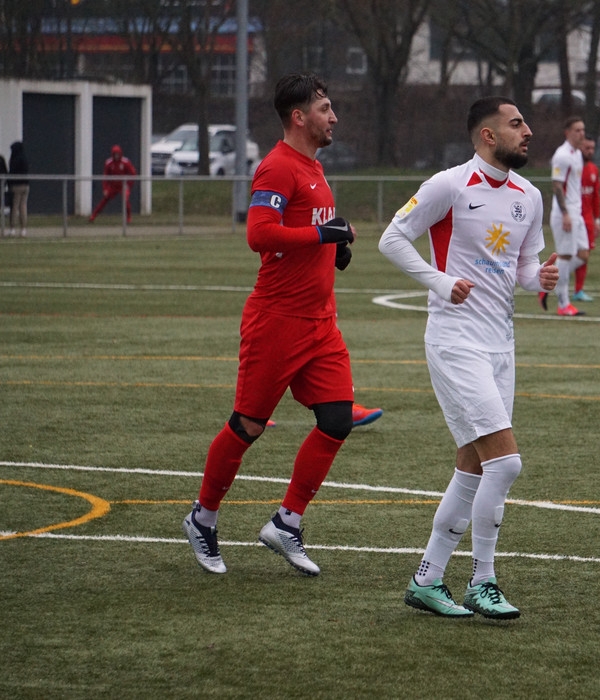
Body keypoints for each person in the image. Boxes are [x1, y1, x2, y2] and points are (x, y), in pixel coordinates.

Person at [379, 96, 559, 619]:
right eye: (516, 123)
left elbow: (524, 270)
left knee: (475, 465)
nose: (528, 131)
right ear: (487, 135)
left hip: (501, 345)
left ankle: (427, 580)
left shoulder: (529, 195)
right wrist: (440, 282)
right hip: (455, 342)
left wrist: (541, 279)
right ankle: (483, 581)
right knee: (507, 463)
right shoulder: (449, 185)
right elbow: (392, 238)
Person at [182, 72, 357, 577]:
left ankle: (286, 522)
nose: (333, 117)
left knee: (337, 420)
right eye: (324, 108)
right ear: (298, 117)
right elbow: (259, 234)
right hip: (277, 320)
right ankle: (202, 518)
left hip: (320, 324)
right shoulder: (278, 166)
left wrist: (333, 247)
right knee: (248, 425)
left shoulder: (314, 168)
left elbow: (305, 231)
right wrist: (321, 235)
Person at [539, 116, 586, 316]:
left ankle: (545, 284)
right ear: (567, 133)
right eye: (577, 130)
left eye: (583, 130)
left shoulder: (577, 153)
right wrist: (565, 213)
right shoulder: (562, 155)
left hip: (577, 212)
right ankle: (563, 304)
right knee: (565, 256)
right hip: (565, 213)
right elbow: (557, 185)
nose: (581, 134)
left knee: (583, 255)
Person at [573, 137, 600, 302]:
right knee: (569, 254)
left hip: (588, 220)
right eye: (587, 148)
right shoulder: (572, 168)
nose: (590, 151)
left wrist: (597, 220)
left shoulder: (593, 170)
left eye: (592, 148)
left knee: (585, 254)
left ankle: (578, 290)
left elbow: (596, 196)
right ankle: (551, 278)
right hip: (572, 217)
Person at [89, 145, 136, 223]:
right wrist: (105, 188)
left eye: (118, 154)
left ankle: (128, 218)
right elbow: (105, 176)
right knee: (104, 200)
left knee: (126, 200)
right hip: (113, 186)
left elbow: (133, 173)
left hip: (122, 185)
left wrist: (128, 185)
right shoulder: (109, 162)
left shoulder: (125, 162)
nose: (116, 156)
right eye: (115, 154)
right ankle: (93, 216)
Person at [8, 141, 30, 237]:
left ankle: (13, 228)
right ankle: (23, 229)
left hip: (16, 185)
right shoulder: (25, 158)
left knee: (15, 207)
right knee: (23, 207)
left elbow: (11, 172)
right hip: (25, 185)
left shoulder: (15, 159)